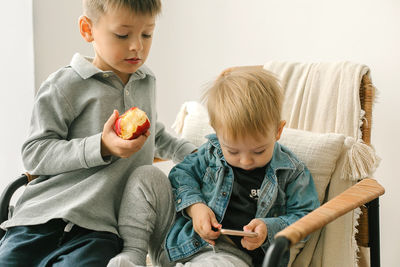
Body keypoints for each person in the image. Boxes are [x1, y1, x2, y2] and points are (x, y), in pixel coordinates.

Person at [0, 1, 196, 266]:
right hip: (40, 218)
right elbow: (35, 153)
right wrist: (101, 146)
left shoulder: (146, 81)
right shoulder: (64, 85)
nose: (137, 45)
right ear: (87, 29)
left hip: (101, 230)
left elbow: (153, 133)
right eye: (122, 35)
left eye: (147, 34)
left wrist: (195, 155)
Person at [164, 66, 320, 267]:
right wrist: (196, 207)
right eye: (233, 151)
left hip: (235, 257)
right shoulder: (211, 152)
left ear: (278, 131)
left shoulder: (291, 171)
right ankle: (130, 254)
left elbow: (307, 217)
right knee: (147, 177)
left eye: (259, 151)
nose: (245, 161)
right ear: (217, 132)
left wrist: (268, 229)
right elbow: (180, 174)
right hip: (185, 243)